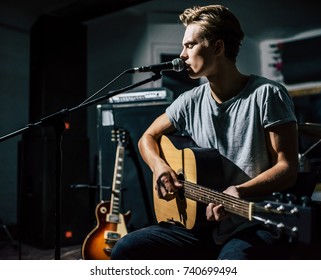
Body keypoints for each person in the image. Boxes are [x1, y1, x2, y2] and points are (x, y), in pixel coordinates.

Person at [111, 4, 298, 260]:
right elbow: (148, 137)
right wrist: (159, 167)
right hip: (199, 224)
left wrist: (240, 191)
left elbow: (287, 167)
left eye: (190, 45)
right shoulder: (189, 101)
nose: (182, 54)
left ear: (218, 48)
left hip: (250, 221)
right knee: (125, 249)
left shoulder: (267, 94)